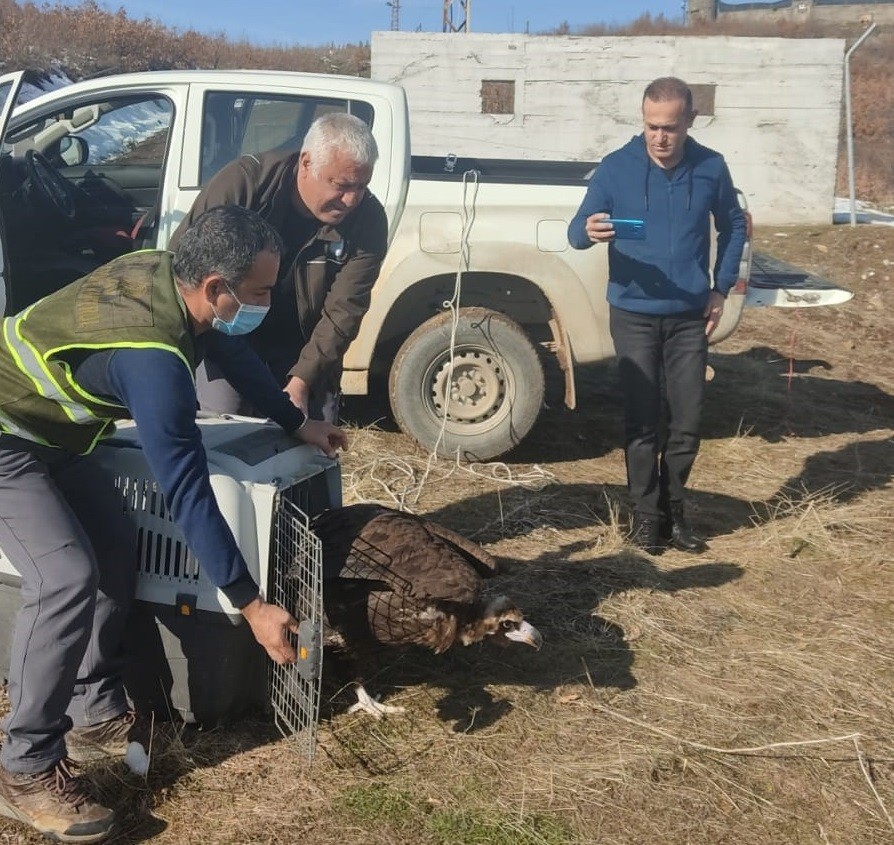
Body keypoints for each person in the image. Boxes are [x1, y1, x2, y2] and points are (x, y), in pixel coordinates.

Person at [0, 205, 348, 843]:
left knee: (115, 547)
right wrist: (249, 604)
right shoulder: (155, 364)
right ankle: (25, 763)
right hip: (6, 436)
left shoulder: (171, 275)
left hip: (60, 437)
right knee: (65, 577)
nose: (269, 301)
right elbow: (186, 492)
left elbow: (233, 353)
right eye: (261, 291)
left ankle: (93, 705)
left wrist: (294, 420)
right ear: (216, 288)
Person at [568, 76, 747, 555]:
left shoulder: (711, 167)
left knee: (687, 421)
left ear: (689, 120)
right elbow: (575, 233)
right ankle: (645, 518)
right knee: (643, 422)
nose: (659, 138)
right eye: (651, 126)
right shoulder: (615, 168)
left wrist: (719, 288)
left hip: (690, 315)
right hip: (633, 314)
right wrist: (588, 229)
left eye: (669, 127)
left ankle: (676, 514)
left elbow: (733, 227)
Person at [169, 110, 389, 423]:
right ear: (307, 162)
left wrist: (301, 381)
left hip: (307, 347)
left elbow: (345, 311)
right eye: (341, 185)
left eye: (362, 186)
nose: (351, 200)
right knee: (224, 431)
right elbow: (184, 269)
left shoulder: (368, 219)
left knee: (311, 444)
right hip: (228, 337)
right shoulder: (244, 185)